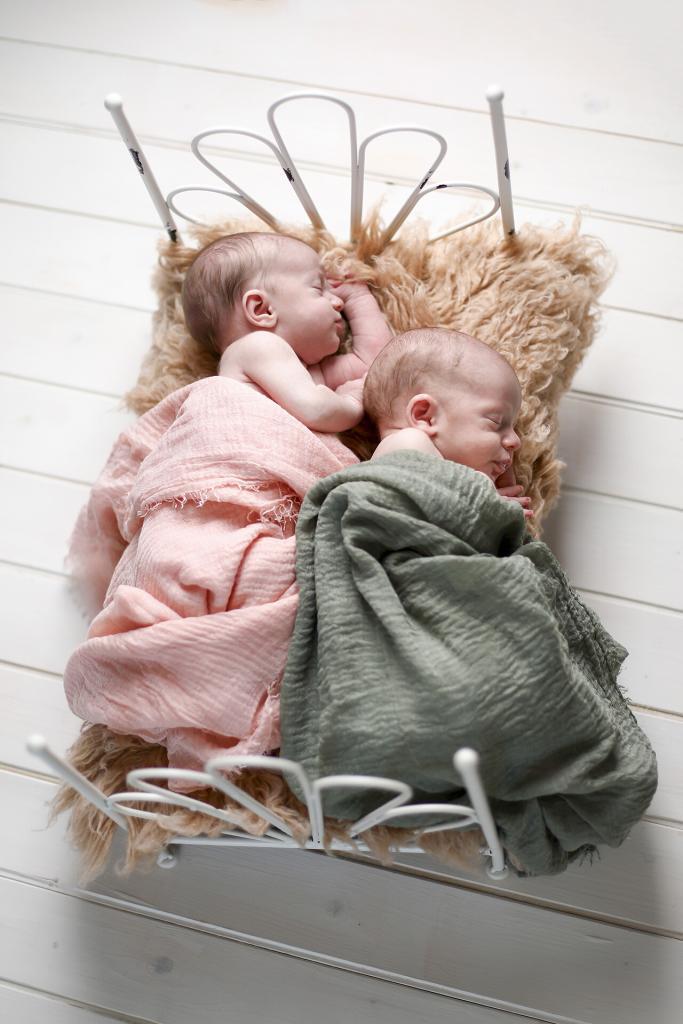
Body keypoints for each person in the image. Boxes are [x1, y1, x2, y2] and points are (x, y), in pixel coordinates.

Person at [182, 231, 393, 432]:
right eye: (319, 288)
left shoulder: (309, 376)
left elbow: (377, 363)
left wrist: (358, 298)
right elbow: (317, 410)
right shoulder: (255, 346)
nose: (338, 301)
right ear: (261, 309)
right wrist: (351, 402)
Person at [363, 327, 533, 518]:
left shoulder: (438, 476)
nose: (515, 441)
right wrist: (485, 502)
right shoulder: (407, 443)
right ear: (424, 416)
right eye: (495, 421)